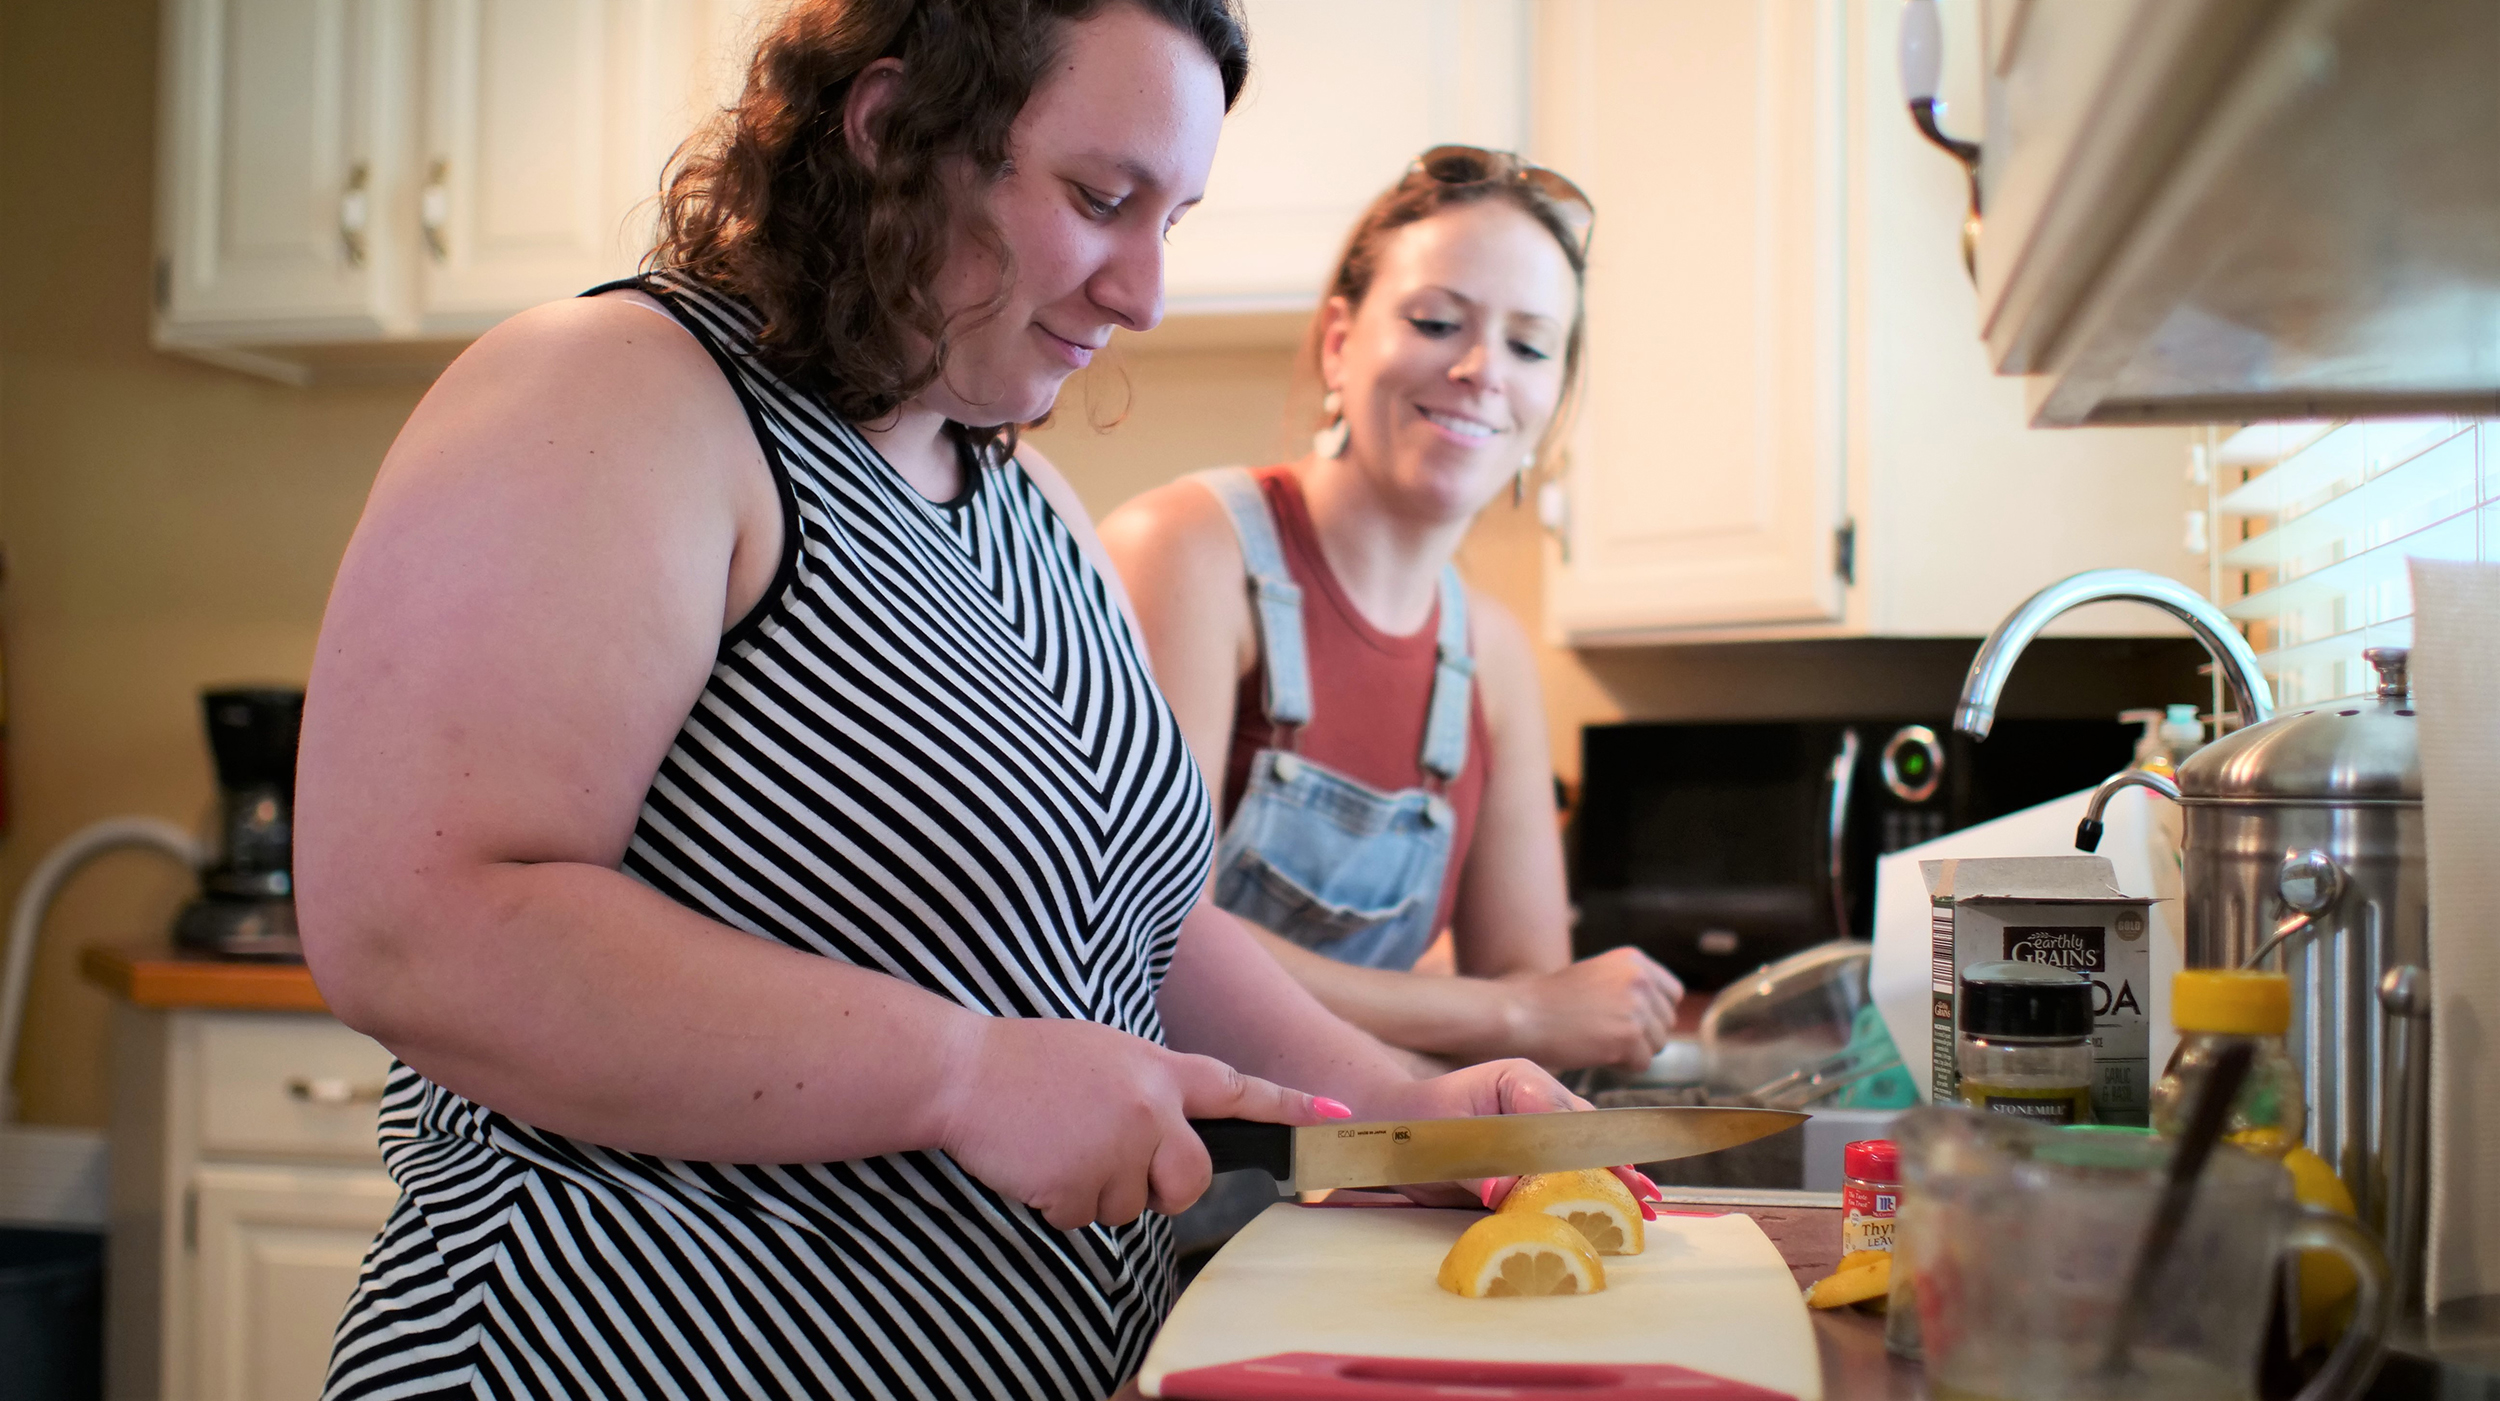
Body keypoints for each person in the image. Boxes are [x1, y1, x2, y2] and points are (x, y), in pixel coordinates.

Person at [293, 6, 1584, 1398]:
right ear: (895, 130)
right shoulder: (622, 394)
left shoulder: (1025, 505)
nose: (1145, 289)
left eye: (1176, 218)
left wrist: (1393, 1109)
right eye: (1102, 199)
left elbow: (1132, 923)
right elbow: (415, 923)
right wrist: (960, 1071)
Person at [1099, 149, 1686, 1082]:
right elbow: (1148, 938)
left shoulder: (1490, 652)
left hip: (1348, 1182)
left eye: (1531, 346)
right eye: (1436, 320)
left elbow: (1530, 990)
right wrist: (1514, 1009)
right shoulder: (1188, 551)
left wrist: (1536, 1008)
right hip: (1145, 1185)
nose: (1482, 369)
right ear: (1339, 342)